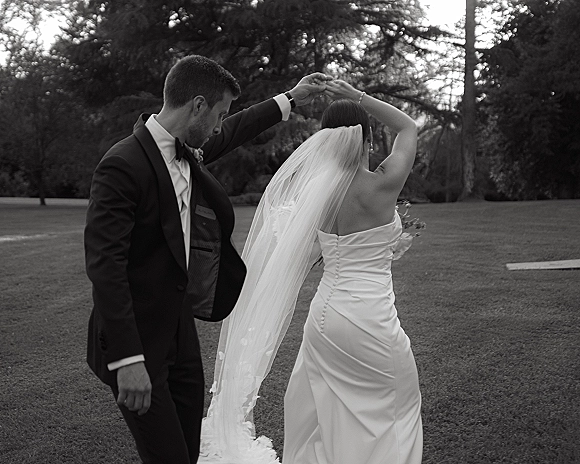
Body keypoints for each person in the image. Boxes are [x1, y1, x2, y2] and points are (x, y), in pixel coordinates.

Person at [84, 54, 329, 464]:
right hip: (137, 343)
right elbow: (105, 268)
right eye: (218, 113)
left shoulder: (186, 148)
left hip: (180, 334)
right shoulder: (122, 166)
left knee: (189, 449)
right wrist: (128, 360)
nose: (219, 124)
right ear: (197, 105)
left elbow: (234, 131)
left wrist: (291, 97)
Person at [200, 79, 421, 464]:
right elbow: (408, 127)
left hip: (325, 319)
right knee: (396, 402)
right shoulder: (384, 185)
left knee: (321, 413)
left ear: (324, 142)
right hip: (372, 318)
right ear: (366, 139)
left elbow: (304, 252)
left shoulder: (316, 198)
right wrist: (356, 95)